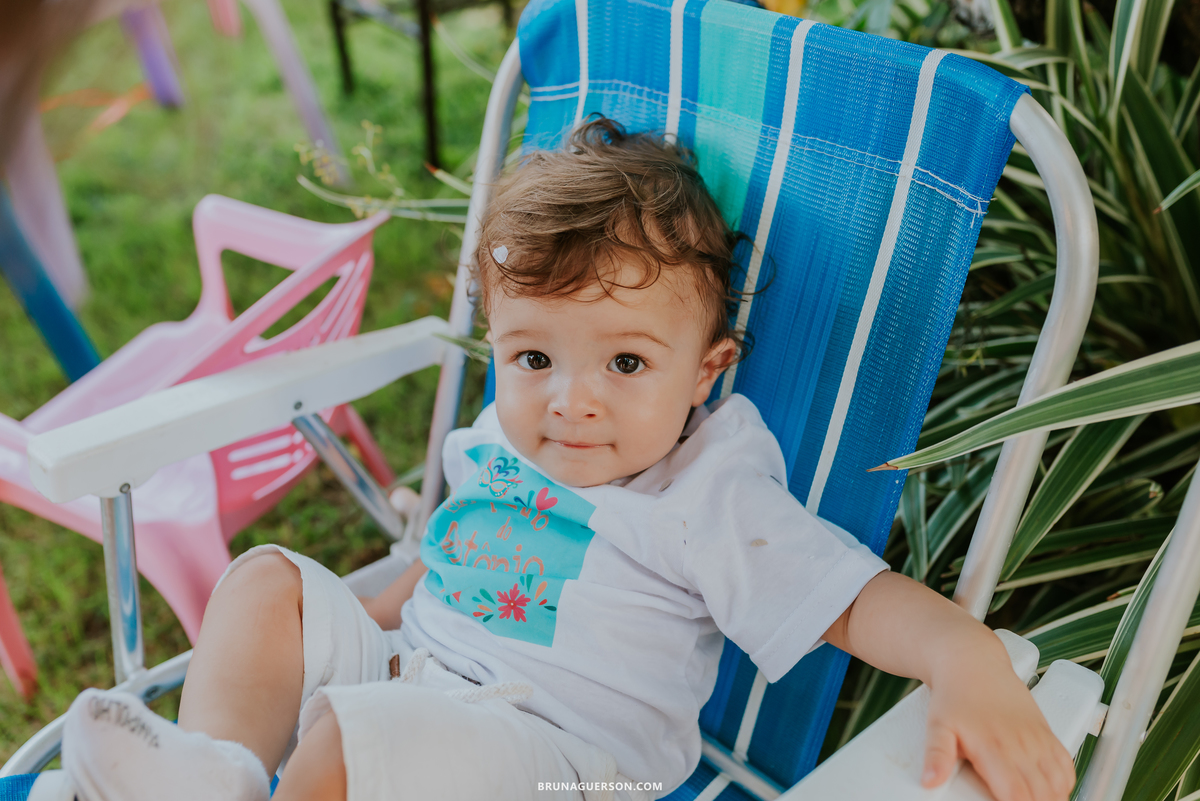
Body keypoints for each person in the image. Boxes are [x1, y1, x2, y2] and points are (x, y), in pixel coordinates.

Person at [45, 117, 1075, 801]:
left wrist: (960, 653)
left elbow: (849, 599)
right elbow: (443, 563)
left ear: (708, 373)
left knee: (352, 746)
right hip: (424, 673)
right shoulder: (509, 436)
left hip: (564, 762)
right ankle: (217, 775)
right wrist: (326, 617)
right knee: (266, 580)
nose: (570, 400)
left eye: (627, 360)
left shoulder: (708, 491)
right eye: (531, 355)